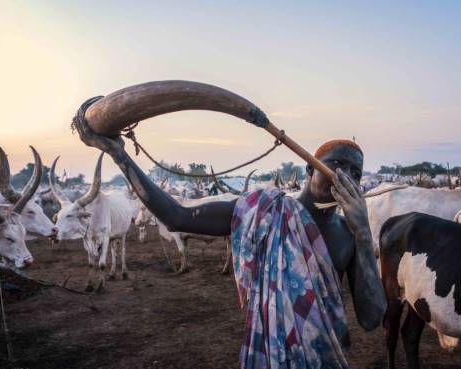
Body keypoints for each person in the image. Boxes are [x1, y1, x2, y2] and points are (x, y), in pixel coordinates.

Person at [74, 114, 386, 369]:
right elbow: (176, 216)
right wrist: (120, 155)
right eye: (337, 165)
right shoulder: (264, 210)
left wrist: (363, 232)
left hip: (325, 359)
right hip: (269, 357)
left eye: (355, 172)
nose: (345, 176)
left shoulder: (349, 234)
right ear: (309, 168)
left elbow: (372, 319)